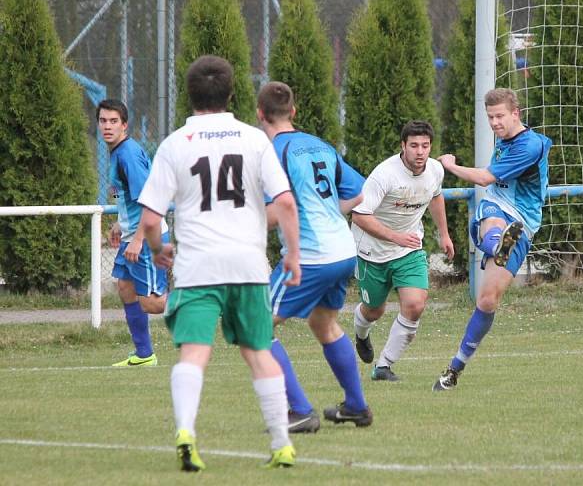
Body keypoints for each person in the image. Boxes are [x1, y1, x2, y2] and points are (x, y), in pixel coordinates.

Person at [138, 55, 302, 472]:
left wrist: (157, 249)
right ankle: (282, 444)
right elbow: (284, 202)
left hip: (197, 268)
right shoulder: (254, 139)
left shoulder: (175, 144)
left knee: (194, 353)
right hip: (247, 265)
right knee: (259, 352)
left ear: (188, 95)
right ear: (232, 94)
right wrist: (293, 254)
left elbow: (150, 219)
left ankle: (186, 432)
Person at [258, 81, 372, 432]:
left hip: (310, 256)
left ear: (260, 114)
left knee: (257, 326)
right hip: (343, 250)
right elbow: (360, 191)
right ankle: (356, 406)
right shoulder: (319, 145)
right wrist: (327, 213)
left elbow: (279, 212)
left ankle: (299, 411)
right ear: (293, 112)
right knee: (323, 323)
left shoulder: (272, 152)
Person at [432, 88, 551, 391]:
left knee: (487, 301)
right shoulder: (505, 137)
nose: (495, 123)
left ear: (516, 113)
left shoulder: (530, 146)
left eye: (500, 116)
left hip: (523, 221)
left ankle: (455, 368)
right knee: (493, 220)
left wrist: (450, 165)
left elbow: (485, 178)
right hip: (497, 207)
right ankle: (496, 243)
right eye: (490, 117)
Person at [350, 120, 454, 382]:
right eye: (414, 145)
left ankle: (383, 366)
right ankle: (361, 334)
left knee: (415, 305)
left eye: (425, 146)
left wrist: (444, 234)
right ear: (403, 147)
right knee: (374, 310)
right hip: (371, 252)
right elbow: (359, 215)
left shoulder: (435, 170)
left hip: (408, 250)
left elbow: (436, 195)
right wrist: (395, 237)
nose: (420, 152)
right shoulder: (384, 175)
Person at [97, 99, 169, 367]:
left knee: (154, 304)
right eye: (103, 121)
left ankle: (206, 299)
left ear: (124, 125)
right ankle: (143, 355)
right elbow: (127, 197)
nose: (107, 126)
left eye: (113, 121)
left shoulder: (127, 154)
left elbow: (149, 200)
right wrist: (120, 223)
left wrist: (138, 239)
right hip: (133, 234)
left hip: (147, 237)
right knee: (126, 287)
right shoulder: (117, 152)